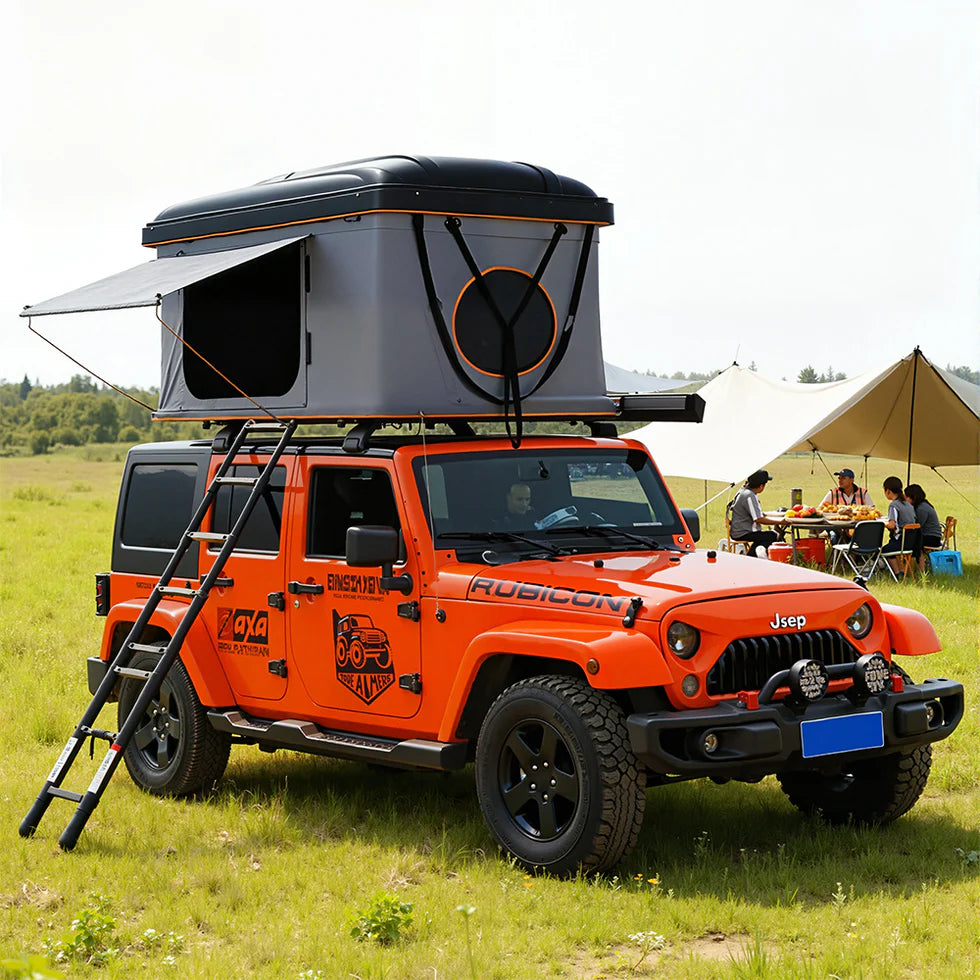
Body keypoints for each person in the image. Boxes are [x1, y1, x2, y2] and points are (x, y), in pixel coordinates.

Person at [728, 470, 785, 558]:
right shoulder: (750, 496)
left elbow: (760, 514)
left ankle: (751, 556)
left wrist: (781, 515)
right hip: (743, 532)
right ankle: (750, 557)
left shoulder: (743, 491)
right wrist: (781, 522)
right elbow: (759, 519)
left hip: (737, 530)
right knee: (772, 535)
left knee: (766, 536)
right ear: (761, 486)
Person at [881, 476, 917, 573]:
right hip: (911, 541)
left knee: (884, 550)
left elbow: (892, 525)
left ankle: (897, 573)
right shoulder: (908, 504)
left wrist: (882, 523)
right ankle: (901, 570)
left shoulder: (894, 505)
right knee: (890, 546)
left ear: (888, 491)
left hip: (901, 541)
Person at [904, 484, 942, 569]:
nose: (905, 500)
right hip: (931, 535)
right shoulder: (923, 505)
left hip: (932, 538)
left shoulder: (922, 509)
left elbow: (917, 526)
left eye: (906, 497)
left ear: (913, 497)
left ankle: (915, 567)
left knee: (911, 542)